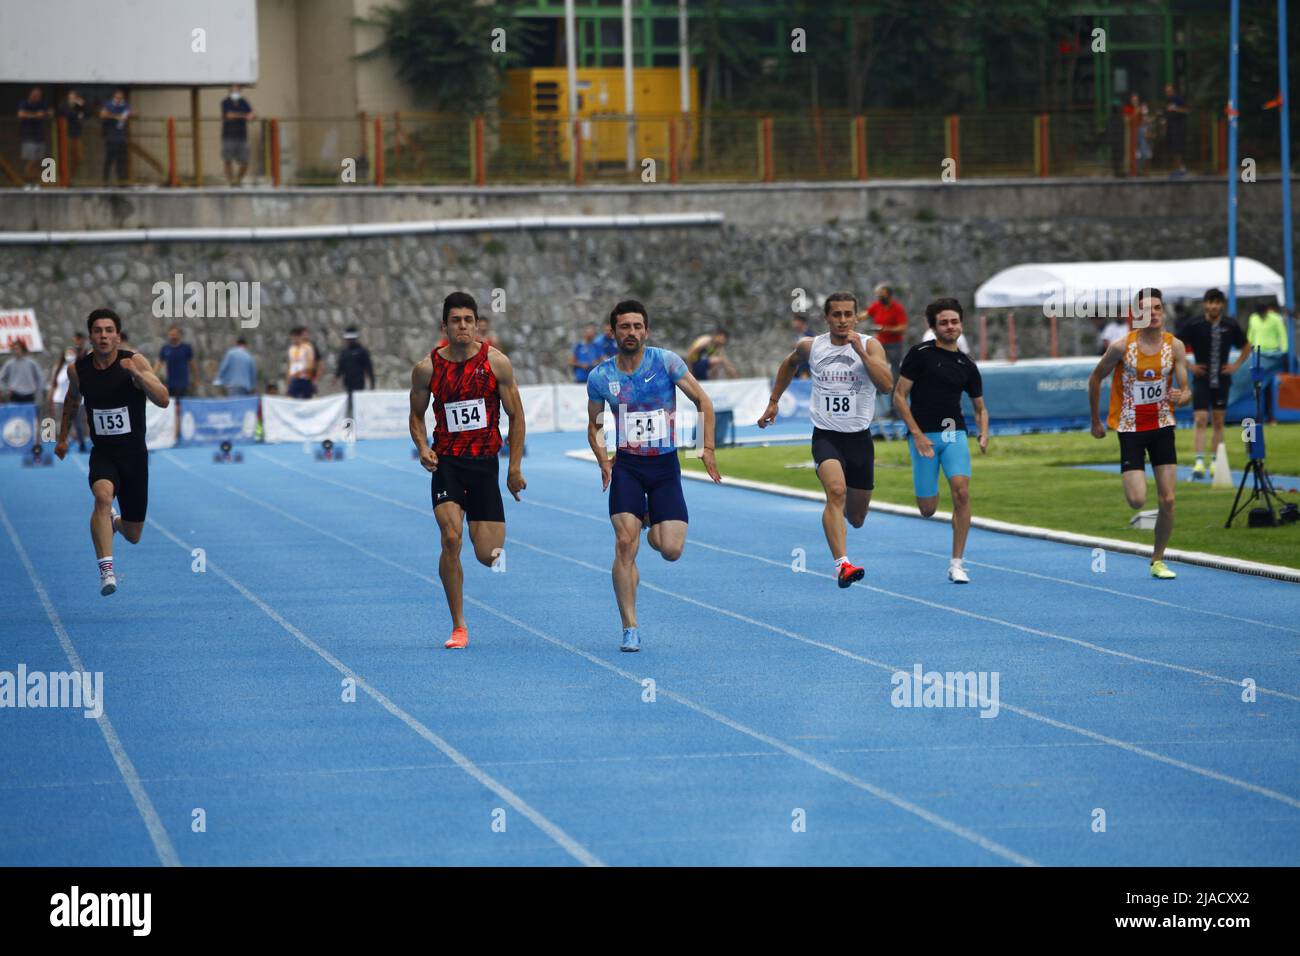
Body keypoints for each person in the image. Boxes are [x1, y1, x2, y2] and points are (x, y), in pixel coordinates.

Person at [586, 299, 722, 652]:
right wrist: (603, 458)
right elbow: (596, 423)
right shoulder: (601, 377)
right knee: (624, 543)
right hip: (628, 467)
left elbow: (703, 401)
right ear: (613, 331)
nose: (631, 333)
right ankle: (629, 626)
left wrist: (706, 448)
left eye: (637, 326)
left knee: (671, 549)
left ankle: (650, 519)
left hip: (664, 468)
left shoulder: (665, 362)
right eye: (624, 327)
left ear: (645, 330)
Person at [410, 292, 527, 650]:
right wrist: (423, 447)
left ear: (477, 324)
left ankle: (483, 547)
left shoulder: (496, 364)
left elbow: (516, 415)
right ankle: (459, 625)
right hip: (447, 464)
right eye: (456, 320)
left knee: (489, 556)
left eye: (468, 320)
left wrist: (514, 468)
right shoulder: (427, 368)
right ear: (444, 325)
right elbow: (416, 415)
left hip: (484, 466)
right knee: (450, 539)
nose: (462, 325)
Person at [759, 292, 894, 587]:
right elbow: (789, 364)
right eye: (837, 315)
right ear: (826, 318)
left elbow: (885, 386)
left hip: (859, 439)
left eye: (848, 314)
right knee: (835, 491)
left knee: (856, 517)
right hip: (826, 436)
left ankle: (840, 518)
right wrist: (773, 401)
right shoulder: (811, 346)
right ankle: (842, 564)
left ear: (857, 317)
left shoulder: (871, 346)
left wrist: (861, 353)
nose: (843, 320)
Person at [55, 308, 170, 596]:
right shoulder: (77, 370)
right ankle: (107, 571)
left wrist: (139, 377)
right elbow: (71, 401)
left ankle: (116, 523)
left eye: (109, 330)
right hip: (103, 453)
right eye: (98, 330)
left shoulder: (133, 361)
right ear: (91, 336)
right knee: (102, 497)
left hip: (134, 457)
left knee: (133, 535)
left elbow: (164, 399)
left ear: (117, 335)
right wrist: (62, 438)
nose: (103, 335)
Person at [1088, 288, 1191, 579]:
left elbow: (1186, 392)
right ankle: (1139, 507)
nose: (1154, 313)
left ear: (1163, 311)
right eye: (1147, 309)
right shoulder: (1122, 347)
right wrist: (1096, 421)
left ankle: (1158, 559)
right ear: (1137, 315)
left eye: (1158, 308)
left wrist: (1180, 397)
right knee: (1137, 500)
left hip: (1162, 426)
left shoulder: (1176, 347)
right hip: (1131, 428)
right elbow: (1095, 378)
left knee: (1168, 499)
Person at [893, 299, 989, 583]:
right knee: (927, 509)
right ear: (933, 326)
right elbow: (899, 397)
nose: (950, 326)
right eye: (944, 322)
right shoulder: (919, 354)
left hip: (953, 434)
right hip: (924, 437)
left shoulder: (967, 364)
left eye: (954, 321)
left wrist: (983, 431)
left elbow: (980, 407)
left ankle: (957, 563)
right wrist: (918, 435)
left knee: (961, 493)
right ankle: (933, 507)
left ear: (961, 325)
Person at [1177, 288, 1251, 479]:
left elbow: (1246, 346)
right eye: (1210, 302)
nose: (1213, 306)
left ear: (1222, 305)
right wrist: (1189, 366)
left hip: (1222, 379)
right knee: (1200, 419)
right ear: (1205, 304)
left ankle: (1217, 463)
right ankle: (1199, 462)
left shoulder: (1230, 325)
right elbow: (1174, 346)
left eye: (1217, 302)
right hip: (1201, 379)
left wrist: (1235, 365)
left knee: (1218, 421)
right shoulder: (1195, 324)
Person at [865, 284, 907, 415]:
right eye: (877, 294)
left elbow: (902, 327)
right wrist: (853, 318)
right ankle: (876, 388)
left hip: (894, 344)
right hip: (880, 343)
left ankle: (894, 407)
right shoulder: (877, 306)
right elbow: (866, 314)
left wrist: (886, 329)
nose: (879, 296)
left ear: (888, 294)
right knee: (871, 364)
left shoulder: (897, 308)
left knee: (895, 373)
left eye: (881, 294)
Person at [1247, 301, 1290, 424]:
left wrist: (1284, 352)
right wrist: (1247, 352)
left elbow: (1282, 335)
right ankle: (1259, 415)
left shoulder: (1276, 318)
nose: (1261, 315)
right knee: (1258, 387)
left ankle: (1271, 416)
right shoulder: (1253, 318)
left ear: (1267, 310)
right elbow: (1250, 336)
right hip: (1258, 357)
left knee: (1270, 388)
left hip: (1273, 357)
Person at [47, 343, 88, 452]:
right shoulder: (58, 367)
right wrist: (50, 397)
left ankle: (82, 443)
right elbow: (54, 383)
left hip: (76, 399)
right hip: (60, 399)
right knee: (62, 423)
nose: (69, 355)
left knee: (78, 423)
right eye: (68, 353)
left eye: (72, 353)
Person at [220, 84, 256, 186]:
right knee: (228, 160)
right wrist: (245, 116)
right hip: (228, 135)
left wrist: (251, 115)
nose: (235, 90)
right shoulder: (225, 102)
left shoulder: (243, 102)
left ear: (240, 89)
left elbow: (253, 114)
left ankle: (238, 180)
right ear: (229, 89)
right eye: (233, 87)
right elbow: (229, 115)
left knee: (245, 161)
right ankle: (231, 181)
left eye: (237, 88)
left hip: (242, 136)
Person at [336, 327, 375, 417]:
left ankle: (360, 417)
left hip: (359, 382)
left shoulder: (362, 351)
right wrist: (336, 378)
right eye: (348, 340)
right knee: (349, 403)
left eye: (351, 339)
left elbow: (368, 368)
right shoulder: (344, 352)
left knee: (359, 402)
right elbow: (340, 367)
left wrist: (372, 382)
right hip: (347, 382)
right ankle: (350, 420)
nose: (349, 341)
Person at [16, 87, 50, 186]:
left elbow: (48, 112)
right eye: (35, 95)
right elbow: (21, 114)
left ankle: (35, 182)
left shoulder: (41, 104)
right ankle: (27, 182)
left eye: (39, 95)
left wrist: (46, 114)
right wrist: (35, 115)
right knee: (30, 160)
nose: (37, 97)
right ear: (31, 94)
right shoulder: (24, 103)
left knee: (37, 161)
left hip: (40, 136)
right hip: (28, 136)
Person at [99, 89, 131, 185]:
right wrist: (116, 116)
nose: (119, 99)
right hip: (111, 137)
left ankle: (122, 181)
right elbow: (102, 114)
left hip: (121, 137)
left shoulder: (124, 106)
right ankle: (105, 180)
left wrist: (128, 115)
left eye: (120, 98)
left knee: (121, 161)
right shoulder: (109, 105)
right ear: (114, 97)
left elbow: (132, 112)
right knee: (109, 160)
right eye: (117, 97)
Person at [57, 90, 86, 182]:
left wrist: (81, 106)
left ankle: (71, 177)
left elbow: (87, 113)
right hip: (66, 135)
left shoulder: (79, 107)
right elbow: (66, 114)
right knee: (66, 157)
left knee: (78, 158)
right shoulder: (63, 106)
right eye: (71, 98)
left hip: (77, 134)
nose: (73, 99)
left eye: (74, 98)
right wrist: (76, 114)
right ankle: (65, 179)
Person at [1163, 83, 1188, 175]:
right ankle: (1178, 168)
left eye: (1169, 91)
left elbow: (1186, 110)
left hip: (1178, 127)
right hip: (1171, 127)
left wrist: (1176, 108)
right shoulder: (1167, 100)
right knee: (1172, 148)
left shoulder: (1178, 99)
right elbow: (1166, 114)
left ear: (1173, 91)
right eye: (1166, 91)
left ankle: (1181, 168)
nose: (1168, 93)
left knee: (1177, 148)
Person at [286, 327, 316, 398]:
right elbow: (290, 365)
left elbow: (311, 365)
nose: (294, 340)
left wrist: (301, 371)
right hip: (294, 379)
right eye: (292, 338)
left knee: (306, 399)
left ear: (300, 337)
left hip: (305, 378)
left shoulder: (307, 348)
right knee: (292, 398)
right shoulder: (291, 349)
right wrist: (289, 380)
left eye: (296, 337)